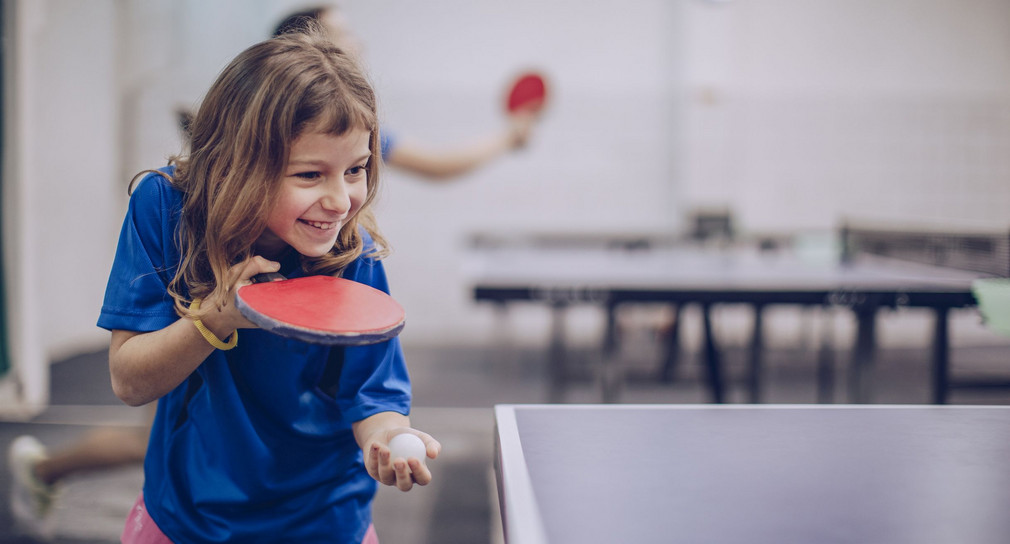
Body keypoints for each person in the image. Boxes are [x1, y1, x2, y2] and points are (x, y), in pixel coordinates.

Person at [96, 28, 437, 543]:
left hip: (325, 522)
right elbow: (130, 382)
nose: (342, 199)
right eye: (309, 175)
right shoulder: (166, 210)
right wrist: (214, 317)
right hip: (192, 521)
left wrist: (387, 440)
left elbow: (373, 398)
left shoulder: (352, 251)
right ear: (239, 164)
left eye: (357, 169)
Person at [274, 4, 539, 181]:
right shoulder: (272, 123)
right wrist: (510, 136)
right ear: (308, 48)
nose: (358, 44)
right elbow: (438, 164)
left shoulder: (357, 124)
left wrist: (509, 137)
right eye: (344, 34)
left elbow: (438, 163)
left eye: (354, 170)